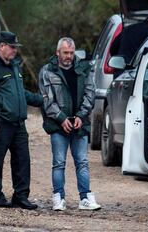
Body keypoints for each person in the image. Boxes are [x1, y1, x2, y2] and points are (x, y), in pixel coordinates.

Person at [0, 31, 43, 210]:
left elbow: (21, 93)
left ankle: (20, 196)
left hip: (18, 124)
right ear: (2, 46)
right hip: (0, 124)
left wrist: (42, 100)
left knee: (22, 160)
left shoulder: (14, 67)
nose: (15, 51)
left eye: (16, 47)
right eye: (12, 47)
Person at [38, 37, 101, 211]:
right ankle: (58, 197)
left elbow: (90, 93)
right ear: (57, 52)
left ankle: (85, 197)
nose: (69, 56)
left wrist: (81, 115)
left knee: (82, 161)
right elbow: (47, 100)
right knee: (59, 162)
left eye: (71, 53)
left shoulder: (84, 68)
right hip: (58, 125)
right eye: (65, 53)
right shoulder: (47, 71)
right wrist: (61, 118)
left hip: (80, 124)